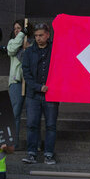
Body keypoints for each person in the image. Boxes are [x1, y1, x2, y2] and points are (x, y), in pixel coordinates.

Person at [21, 24, 59, 164]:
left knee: (51, 125)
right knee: (32, 124)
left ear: (48, 34)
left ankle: (49, 153)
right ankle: (31, 153)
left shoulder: (56, 49)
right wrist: (38, 87)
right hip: (34, 94)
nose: (38, 38)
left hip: (51, 94)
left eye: (41, 35)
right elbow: (26, 73)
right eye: (36, 36)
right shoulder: (29, 52)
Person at [7, 20, 32, 149]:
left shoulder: (31, 44)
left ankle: (33, 144)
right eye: (15, 28)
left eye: (20, 28)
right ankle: (13, 143)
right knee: (14, 114)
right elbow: (11, 50)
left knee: (32, 115)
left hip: (30, 83)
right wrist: (21, 34)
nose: (17, 30)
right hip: (16, 82)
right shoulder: (12, 43)